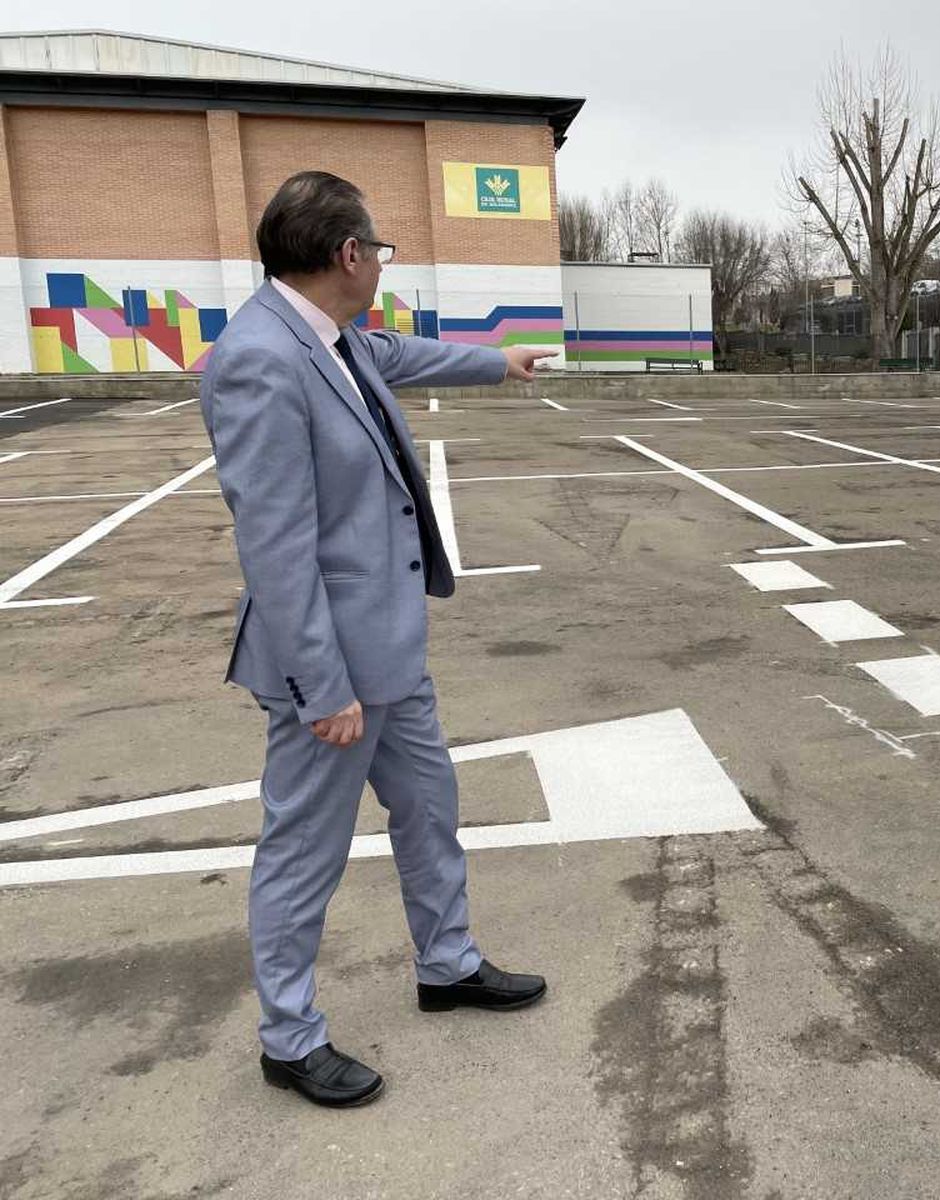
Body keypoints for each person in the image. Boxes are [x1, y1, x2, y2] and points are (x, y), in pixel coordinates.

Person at [200, 171, 557, 1108]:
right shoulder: (258, 359)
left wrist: (497, 364)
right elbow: (275, 548)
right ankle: (289, 1037)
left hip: (392, 649)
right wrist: (324, 690)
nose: (381, 265)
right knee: (302, 855)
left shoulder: (333, 336)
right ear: (347, 255)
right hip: (331, 673)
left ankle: (447, 965)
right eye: (379, 249)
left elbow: (397, 354)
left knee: (430, 807)